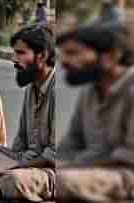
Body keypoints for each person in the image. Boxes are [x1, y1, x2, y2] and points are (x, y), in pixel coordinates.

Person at [57, 23, 134, 202]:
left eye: (73, 53)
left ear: (110, 56)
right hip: (90, 170)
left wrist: (71, 167)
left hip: (126, 175)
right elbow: (72, 143)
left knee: (60, 181)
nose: (64, 61)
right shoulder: (89, 91)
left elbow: (129, 156)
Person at [0, 25, 56, 202]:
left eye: (20, 53)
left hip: (53, 172)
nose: (14, 59)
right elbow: (21, 141)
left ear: (42, 55)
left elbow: (53, 156)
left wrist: (14, 167)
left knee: (12, 181)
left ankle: (0, 183)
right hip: (25, 161)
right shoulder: (31, 88)